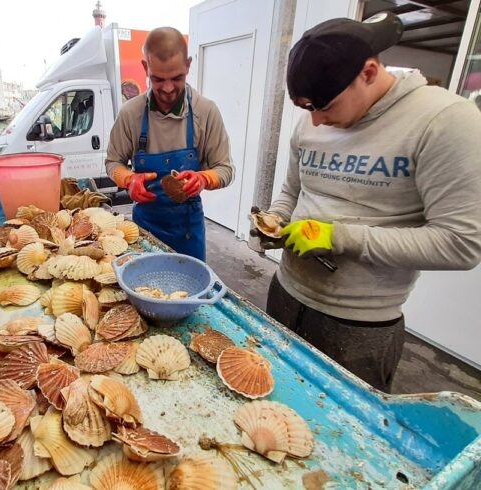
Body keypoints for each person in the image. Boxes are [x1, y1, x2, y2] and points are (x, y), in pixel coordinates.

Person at [255, 12, 481, 392]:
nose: (318, 121)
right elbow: (293, 191)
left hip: (358, 325)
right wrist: (275, 219)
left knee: (339, 437)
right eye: (308, 110)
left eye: (325, 107)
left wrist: (340, 237)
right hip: (285, 293)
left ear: (370, 72)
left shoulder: (443, 121)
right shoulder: (314, 118)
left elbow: (462, 244)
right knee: (269, 403)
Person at [105, 27, 234, 261]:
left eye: (177, 78)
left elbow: (225, 170)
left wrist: (204, 178)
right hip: (144, 230)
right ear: (146, 68)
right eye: (157, 79)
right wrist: (128, 179)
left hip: (188, 232)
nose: (167, 89)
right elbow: (113, 162)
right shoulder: (130, 114)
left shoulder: (205, 112)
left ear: (188, 65)